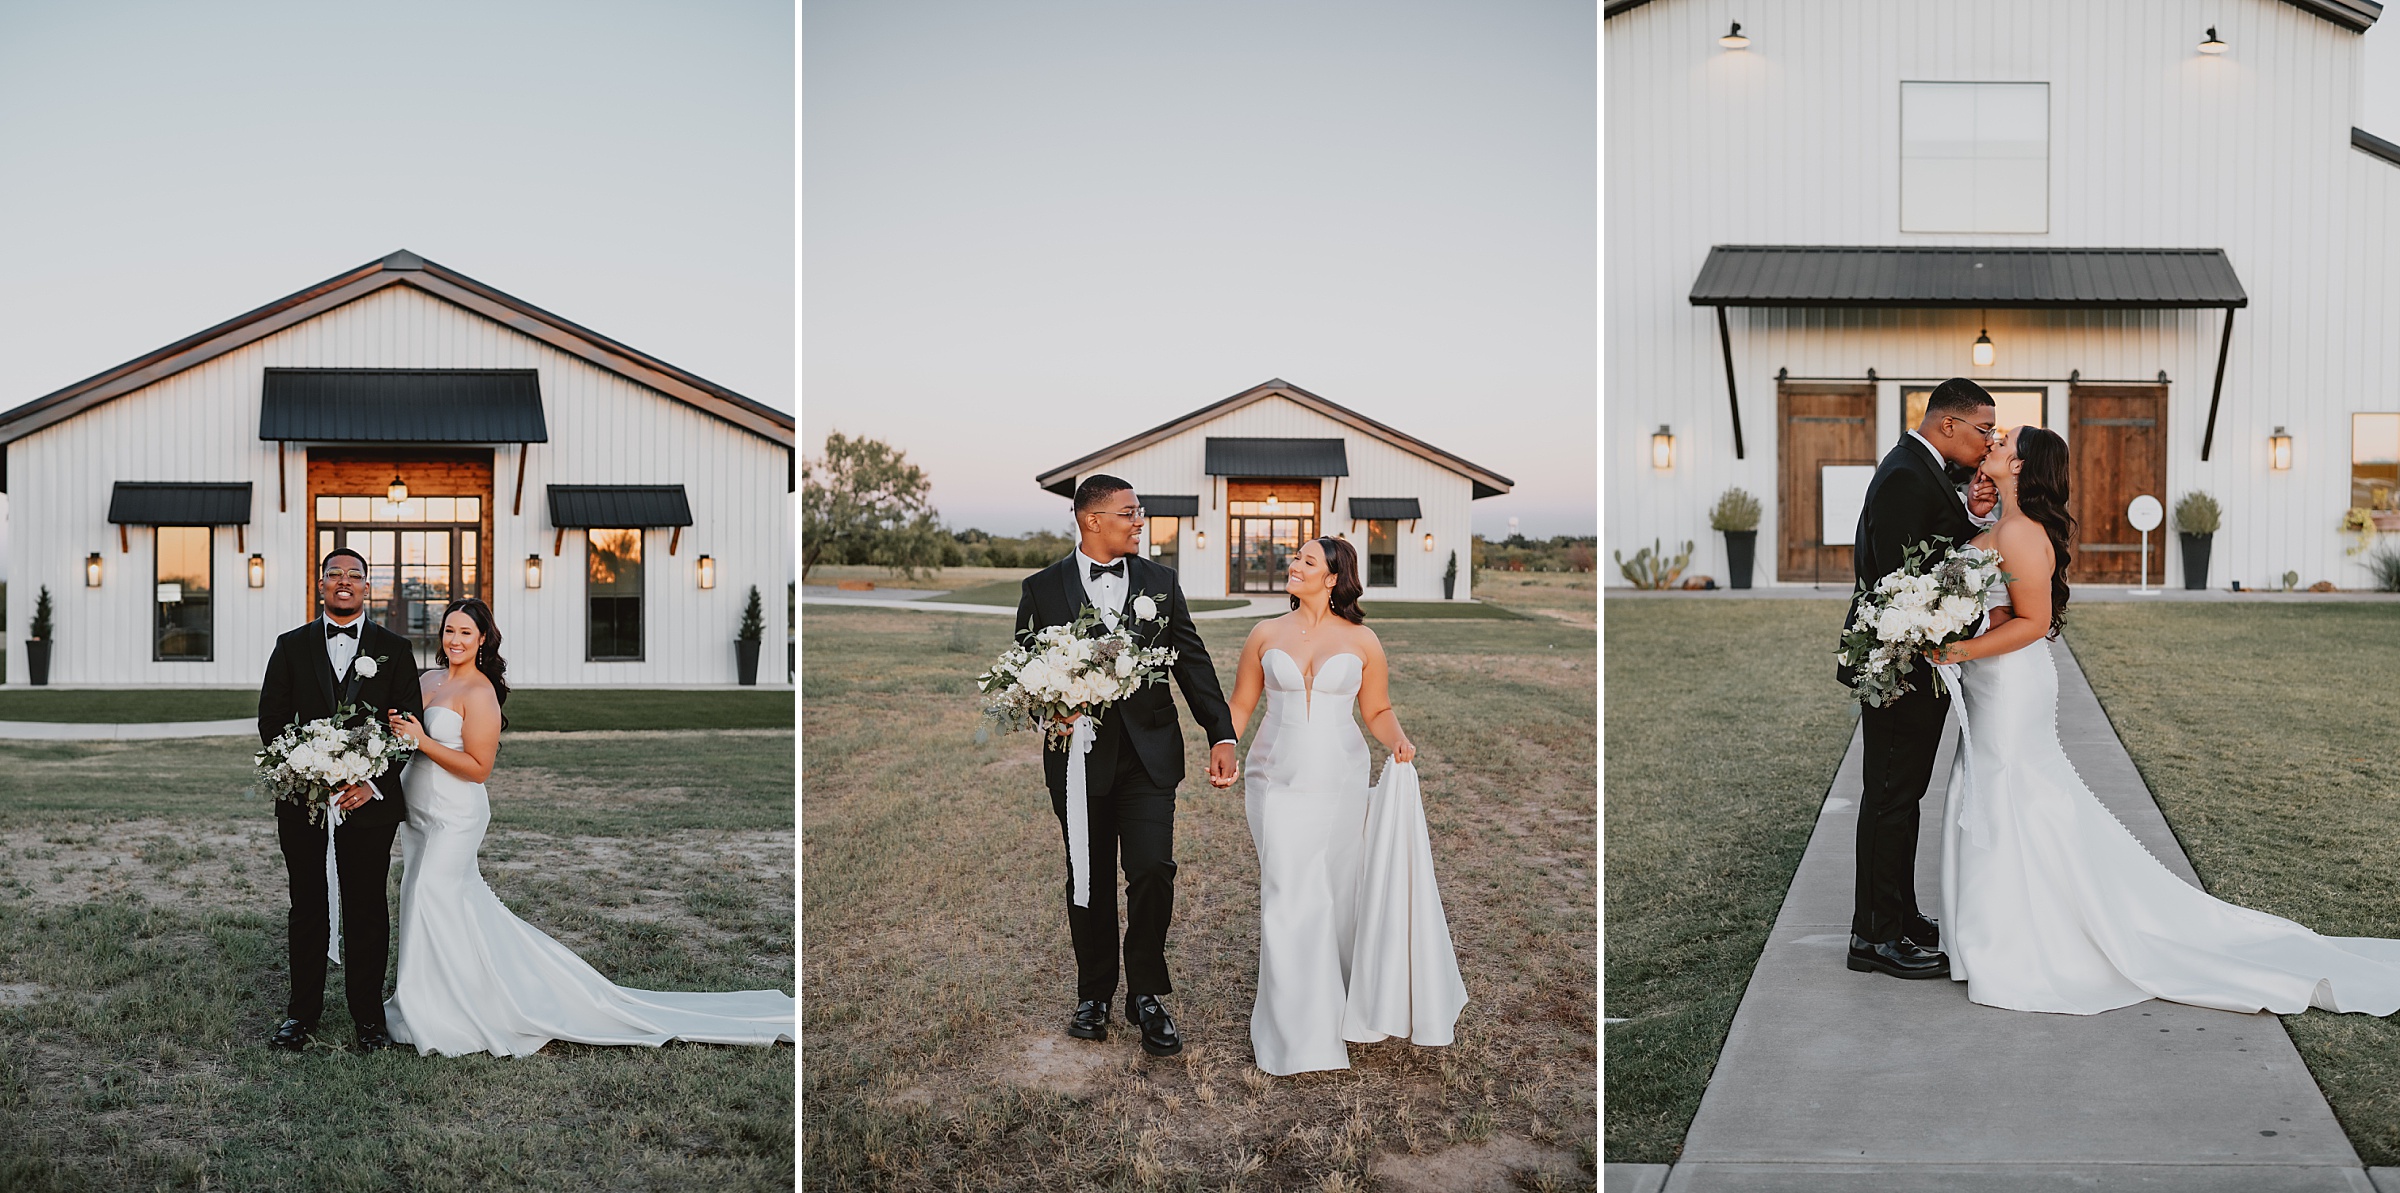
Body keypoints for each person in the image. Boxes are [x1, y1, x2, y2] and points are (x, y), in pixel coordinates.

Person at [1923, 427, 2400, 1015]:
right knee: (1995, 785)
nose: (1993, 441)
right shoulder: (2000, 524)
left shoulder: (2020, 531)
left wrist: (1956, 651)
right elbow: (1999, 608)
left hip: (2011, 683)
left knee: (2013, 789)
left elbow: (2032, 622)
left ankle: (2028, 939)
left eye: (2005, 441)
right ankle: (1997, 928)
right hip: (1994, 680)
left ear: (2020, 466)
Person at [379, 598, 794, 1056]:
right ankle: (427, 1002)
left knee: (432, 895)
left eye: (465, 633)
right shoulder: (426, 680)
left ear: (482, 641)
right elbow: (405, 737)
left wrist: (421, 740)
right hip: (417, 812)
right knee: (421, 900)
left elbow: (479, 768)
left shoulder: (480, 693)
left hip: (455, 815)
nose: (455, 640)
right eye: (449, 631)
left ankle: (459, 1012)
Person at [1222, 537, 1465, 1075]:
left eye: (1308, 561)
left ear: (1333, 578)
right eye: (1296, 559)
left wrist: (1397, 740)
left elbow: (1376, 707)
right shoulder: (1265, 633)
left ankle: (1344, 999)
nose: (1294, 565)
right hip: (1274, 779)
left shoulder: (1363, 640)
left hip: (1340, 783)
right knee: (1287, 894)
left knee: (1334, 893)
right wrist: (1224, 744)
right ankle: (1296, 1031)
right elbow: (1241, 702)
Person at [1014, 475, 1237, 1057]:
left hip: (1149, 757)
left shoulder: (1161, 583)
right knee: (1086, 877)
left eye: (1141, 512)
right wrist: (1051, 712)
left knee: (1152, 870)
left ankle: (1147, 995)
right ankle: (1094, 994)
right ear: (1092, 520)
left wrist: (1222, 732)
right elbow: (1025, 672)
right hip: (1078, 760)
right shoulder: (1041, 589)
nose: (1140, 521)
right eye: (1130, 512)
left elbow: (1191, 658)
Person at [1837, 376, 2001, 980]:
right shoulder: (1907, 471)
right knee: (1889, 797)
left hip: (1915, 660)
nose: (1989, 443)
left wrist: (1969, 517)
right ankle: (1873, 938)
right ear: (1948, 424)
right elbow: (1903, 582)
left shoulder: (1921, 469)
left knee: (1903, 798)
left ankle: (1898, 914)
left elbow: (1926, 554)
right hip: (1900, 662)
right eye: (1984, 430)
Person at [258, 548, 425, 1052]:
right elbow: (272, 721)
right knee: (307, 906)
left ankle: (369, 1022)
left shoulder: (394, 648)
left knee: (367, 909)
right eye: (336, 575)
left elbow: (405, 727)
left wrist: (369, 783)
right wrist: (309, 775)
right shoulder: (290, 646)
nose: (345, 583)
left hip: (369, 806)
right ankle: (300, 1016)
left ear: (366, 588)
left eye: (355, 576)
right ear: (321, 585)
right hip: (303, 804)